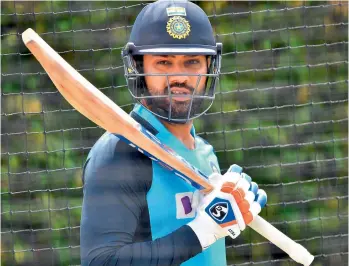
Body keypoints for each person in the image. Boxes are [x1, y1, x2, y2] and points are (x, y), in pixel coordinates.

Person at [80, 1, 267, 265]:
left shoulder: (205, 153)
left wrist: (236, 205)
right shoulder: (120, 154)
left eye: (192, 61)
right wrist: (203, 231)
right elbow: (101, 262)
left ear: (208, 67)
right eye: (164, 62)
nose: (179, 76)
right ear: (138, 67)